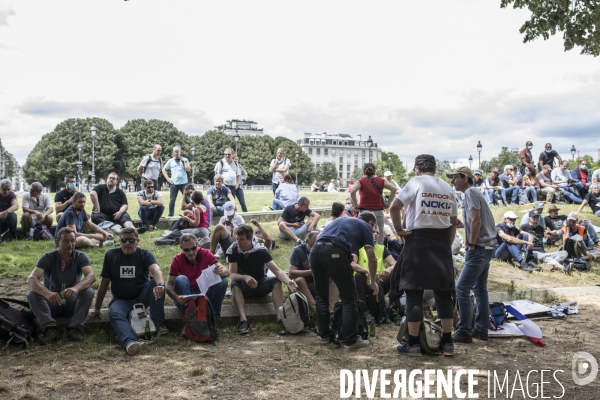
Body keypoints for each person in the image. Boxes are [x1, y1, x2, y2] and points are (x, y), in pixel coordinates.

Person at [390, 154, 457, 357]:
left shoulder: (415, 182)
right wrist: (446, 242)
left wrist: (399, 229)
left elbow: (394, 207)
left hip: (418, 240)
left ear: (417, 169)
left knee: (414, 291)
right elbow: (454, 221)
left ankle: (413, 344)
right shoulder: (447, 188)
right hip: (442, 241)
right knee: (444, 293)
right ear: (434, 168)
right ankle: (447, 342)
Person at [86, 227, 167, 355]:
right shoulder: (111, 255)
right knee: (114, 313)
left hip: (142, 296)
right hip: (121, 299)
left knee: (156, 284)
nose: (127, 243)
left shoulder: (145, 254)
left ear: (137, 241)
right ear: (120, 241)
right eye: (124, 240)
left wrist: (161, 284)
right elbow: (104, 283)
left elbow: (156, 270)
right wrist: (97, 308)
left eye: (131, 240)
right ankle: (130, 342)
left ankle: (158, 324)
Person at [310, 212, 379, 349]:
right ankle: (351, 339)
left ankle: (324, 335)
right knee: (349, 298)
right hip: (335, 251)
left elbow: (320, 236)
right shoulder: (365, 226)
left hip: (315, 251)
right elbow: (371, 257)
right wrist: (372, 282)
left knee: (321, 296)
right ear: (370, 223)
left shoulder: (343, 221)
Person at [447, 167, 497, 344]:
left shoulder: (470, 192)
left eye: (455, 178)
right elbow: (474, 219)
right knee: (479, 288)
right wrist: (464, 225)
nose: (453, 181)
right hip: (487, 246)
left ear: (465, 178)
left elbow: (476, 220)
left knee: (461, 288)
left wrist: (471, 244)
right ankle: (481, 329)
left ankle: (464, 331)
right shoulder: (474, 192)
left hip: (479, 248)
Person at [26, 227, 96, 344]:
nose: (70, 244)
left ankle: (76, 327)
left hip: (71, 302)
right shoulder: (48, 257)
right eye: (66, 241)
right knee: (32, 294)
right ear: (57, 242)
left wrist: (75, 288)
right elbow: (31, 279)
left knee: (88, 291)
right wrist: (47, 293)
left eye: (73, 241)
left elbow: (91, 276)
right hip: (52, 302)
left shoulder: (80, 256)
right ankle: (50, 328)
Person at [228, 224, 298, 335]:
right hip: (243, 285)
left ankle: (280, 319)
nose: (238, 242)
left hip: (260, 283)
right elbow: (232, 274)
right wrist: (245, 277)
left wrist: (288, 281)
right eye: (237, 239)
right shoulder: (233, 249)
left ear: (250, 239)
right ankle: (243, 321)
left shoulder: (261, 250)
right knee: (234, 283)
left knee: (275, 281)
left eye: (241, 239)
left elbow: (278, 271)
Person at [165, 233, 230, 321]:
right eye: (186, 250)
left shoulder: (205, 253)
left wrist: (221, 271)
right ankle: (189, 320)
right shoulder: (177, 259)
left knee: (223, 281)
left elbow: (227, 272)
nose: (191, 252)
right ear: (181, 248)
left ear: (197, 245)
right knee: (181, 279)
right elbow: (168, 285)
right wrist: (176, 297)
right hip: (185, 294)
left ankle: (213, 318)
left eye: (193, 248)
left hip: (203, 291)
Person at [289, 231, 339, 315]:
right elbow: (291, 272)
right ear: (307, 242)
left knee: (334, 277)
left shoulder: (324, 250)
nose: (317, 248)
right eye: (314, 245)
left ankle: (332, 310)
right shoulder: (298, 251)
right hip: (305, 285)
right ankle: (317, 312)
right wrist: (311, 271)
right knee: (299, 280)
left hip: (320, 283)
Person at [351, 163, 397, 244]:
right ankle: (379, 251)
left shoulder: (361, 181)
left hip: (365, 211)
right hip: (378, 211)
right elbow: (393, 189)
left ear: (363, 172)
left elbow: (352, 191)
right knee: (380, 232)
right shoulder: (381, 181)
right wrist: (388, 202)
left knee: (363, 231)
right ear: (374, 171)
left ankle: (365, 250)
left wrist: (355, 204)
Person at [352, 224, 396, 310]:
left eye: (377, 233)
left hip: (379, 283)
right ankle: (363, 309)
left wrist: (389, 269)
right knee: (359, 276)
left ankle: (395, 306)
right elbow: (352, 264)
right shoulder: (358, 248)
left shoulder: (382, 248)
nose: (375, 234)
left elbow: (396, 264)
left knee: (395, 273)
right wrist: (367, 271)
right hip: (363, 284)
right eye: (373, 232)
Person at [162, 146, 191, 217]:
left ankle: (190, 213)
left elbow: (188, 169)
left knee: (187, 199)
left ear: (180, 152)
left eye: (177, 151)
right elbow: (163, 169)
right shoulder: (170, 161)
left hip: (184, 183)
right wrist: (168, 178)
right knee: (172, 200)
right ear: (173, 152)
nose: (176, 153)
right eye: (174, 151)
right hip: (174, 183)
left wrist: (185, 161)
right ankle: (170, 215)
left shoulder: (185, 160)